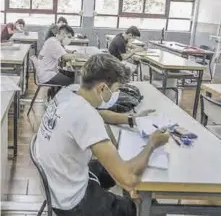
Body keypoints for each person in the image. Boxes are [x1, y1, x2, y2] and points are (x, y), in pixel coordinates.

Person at [35, 53, 169, 216]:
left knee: (120, 164)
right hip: (72, 203)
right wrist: (152, 144)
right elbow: (128, 178)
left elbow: (100, 114)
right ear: (102, 88)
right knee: (152, 209)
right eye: (116, 89)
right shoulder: (86, 117)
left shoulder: (69, 93)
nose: (116, 94)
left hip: (57, 182)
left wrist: (132, 120)